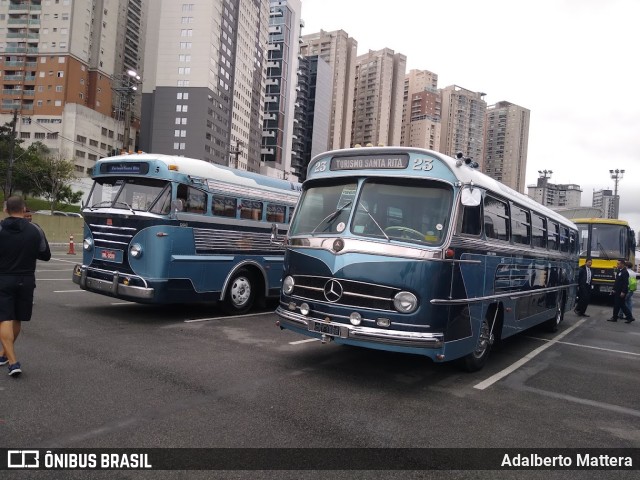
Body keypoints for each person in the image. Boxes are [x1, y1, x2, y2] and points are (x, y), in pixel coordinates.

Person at [0, 196, 51, 377]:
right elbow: (46, 255)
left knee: (4, 317)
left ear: (6, 210)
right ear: (24, 210)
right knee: (17, 318)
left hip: (3, 279)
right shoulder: (36, 230)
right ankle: (4, 355)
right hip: (26, 279)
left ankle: (13, 362)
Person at [608, 259, 635, 324]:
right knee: (620, 305)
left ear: (622, 264)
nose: (617, 265)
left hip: (621, 292)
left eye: (618, 264)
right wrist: (613, 289)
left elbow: (625, 283)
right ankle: (626, 317)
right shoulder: (619, 271)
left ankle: (618, 317)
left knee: (619, 304)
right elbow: (617, 282)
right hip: (617, 291)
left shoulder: (625, 272)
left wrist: (623, 292)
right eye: (617, 264)